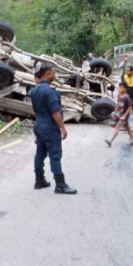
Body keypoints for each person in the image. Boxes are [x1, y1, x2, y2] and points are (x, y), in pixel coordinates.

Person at [30, 63, 77, 194]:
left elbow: (34, 110)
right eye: (53, 73)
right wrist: (62, 127)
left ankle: (39, 180)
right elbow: (55, 112)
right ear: (47, 74)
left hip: (39, 125)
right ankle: (60, 185)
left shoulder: (34, 90)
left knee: (40, 153)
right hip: (50, 128)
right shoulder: (50, 91)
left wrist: (40, 120)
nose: (55, 75)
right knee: (55, 155)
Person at [105, 83, 133, 147]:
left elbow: (130, 108)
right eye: (119, 87)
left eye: (120, 87)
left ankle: (110, 141)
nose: (119, 89)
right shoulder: (119, 95)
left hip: (124, 115)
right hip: (120, 114)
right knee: (127, 127)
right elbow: (118, 104)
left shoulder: (127, 97)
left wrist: (124, 116)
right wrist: (115, 111)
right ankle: (132, 140)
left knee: (117, 127)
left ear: (125, 89)